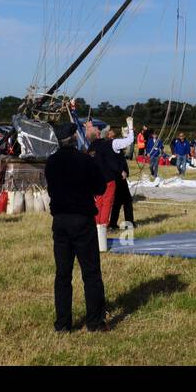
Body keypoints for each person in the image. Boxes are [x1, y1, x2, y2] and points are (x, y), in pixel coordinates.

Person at [44, 120, 107, 332]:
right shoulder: (84, 161)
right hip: (81, 220)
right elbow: (100, 186)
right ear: (74, 138)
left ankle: (63, 324)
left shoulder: (51, 162)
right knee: (90, 272)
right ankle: (95, 322)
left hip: (60, 221)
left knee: (63, 274)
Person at [106, 126, 135, 231]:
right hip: (118, 177)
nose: (113, 131)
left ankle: (113, 223)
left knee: (118, 201)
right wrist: (130, 129)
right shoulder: (114, 143)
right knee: (127, 200)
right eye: (110, 130)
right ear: (108, 134)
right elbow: (129, 141)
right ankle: (129, 223)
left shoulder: (109, 144)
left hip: (117, 176)